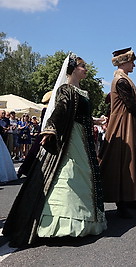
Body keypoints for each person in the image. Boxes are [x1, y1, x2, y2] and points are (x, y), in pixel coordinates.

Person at [3, 54, 107, 247]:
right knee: (68, 174)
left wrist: (97, 121)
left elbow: (81, 114)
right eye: (83, 66)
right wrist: (50, 129)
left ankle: (82, 222)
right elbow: (60, 110)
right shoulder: (65, 90)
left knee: (81, 175)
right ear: (74, 68)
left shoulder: (81, 92)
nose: (86, 69)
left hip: (82, 138)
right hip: (72, 138)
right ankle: (59, 225)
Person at [99, 47, 136, 218]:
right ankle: (120, 200)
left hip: (124, 121)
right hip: (122, 123)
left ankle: (123, 200)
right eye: (132, 61)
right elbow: (131, 105)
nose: (134, 65)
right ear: (124, 62)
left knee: (121, 160)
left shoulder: (122, 79)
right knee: (121, 160)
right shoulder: (121, 80)